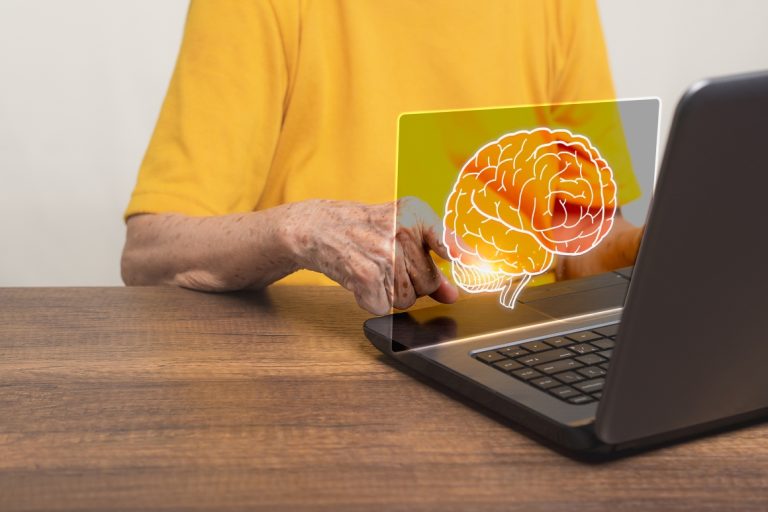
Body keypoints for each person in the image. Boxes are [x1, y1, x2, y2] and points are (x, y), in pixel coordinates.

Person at [121, 0, 643, 315]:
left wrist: (654, 245)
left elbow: (581, 246)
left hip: (517, 349)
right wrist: (301, 231)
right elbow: (148, 254)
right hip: (325, 363)